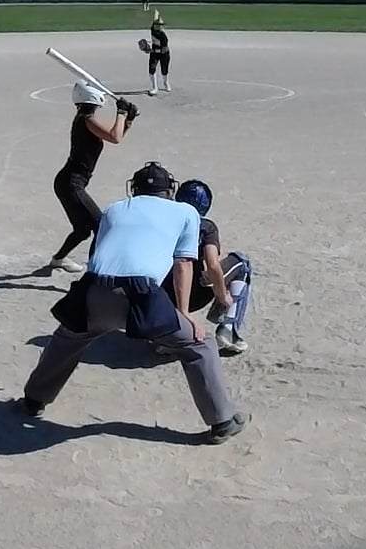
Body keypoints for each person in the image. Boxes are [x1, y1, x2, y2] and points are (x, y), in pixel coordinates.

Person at [15, 161, 251, 445]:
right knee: (199, 345)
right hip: (141, 295)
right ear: (170, 191)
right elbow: (183, 265)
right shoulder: (186, 212)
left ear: (134, 189)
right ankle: (222, 421)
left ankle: (33, 400)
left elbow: (97, 254)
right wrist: (184, 313)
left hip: (92, 289)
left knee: (67, 339)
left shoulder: (114, 209)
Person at [47, 82, 138, 274]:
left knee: (82, 230)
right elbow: (115, 137)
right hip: (71, 183)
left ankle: (58, 259)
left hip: (70, 182)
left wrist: (127, 120)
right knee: (100, 226)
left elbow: (115, 135)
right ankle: (95, 272)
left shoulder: (85, 119)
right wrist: (121, 113)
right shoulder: (87, 120)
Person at [172, 179, 254, 356]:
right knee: (241, 263)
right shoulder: (205, 226)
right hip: (194, 294)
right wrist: (222, 296)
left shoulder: (165, 222)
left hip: (162, 294)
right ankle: (228, 327)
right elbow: (212, 265)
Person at [146, 13, 172, 95]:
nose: (159, 26)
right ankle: (155, 88)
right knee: (151, 68)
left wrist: (151, 50)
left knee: (164, 70)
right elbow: (153, 22)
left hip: (164, 54)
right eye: (157, 24)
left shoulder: (163, 36)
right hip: (154, 53)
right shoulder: (152, 30)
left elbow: (164, 50)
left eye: (160, 25)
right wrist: (156, 15)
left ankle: (166, 82)